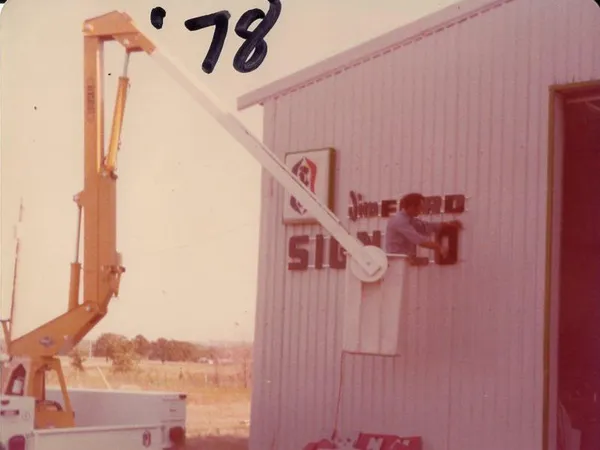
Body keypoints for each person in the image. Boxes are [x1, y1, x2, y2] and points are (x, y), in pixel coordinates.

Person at [385, 192, 462, 261]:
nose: (421, 210)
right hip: (397, 261)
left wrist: (448, 224)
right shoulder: (400, 221)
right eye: (420, 207)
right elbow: (419, 240)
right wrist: (439, 247)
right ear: (412, 206)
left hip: (405, 260)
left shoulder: (409, 219)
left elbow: (426, 226)